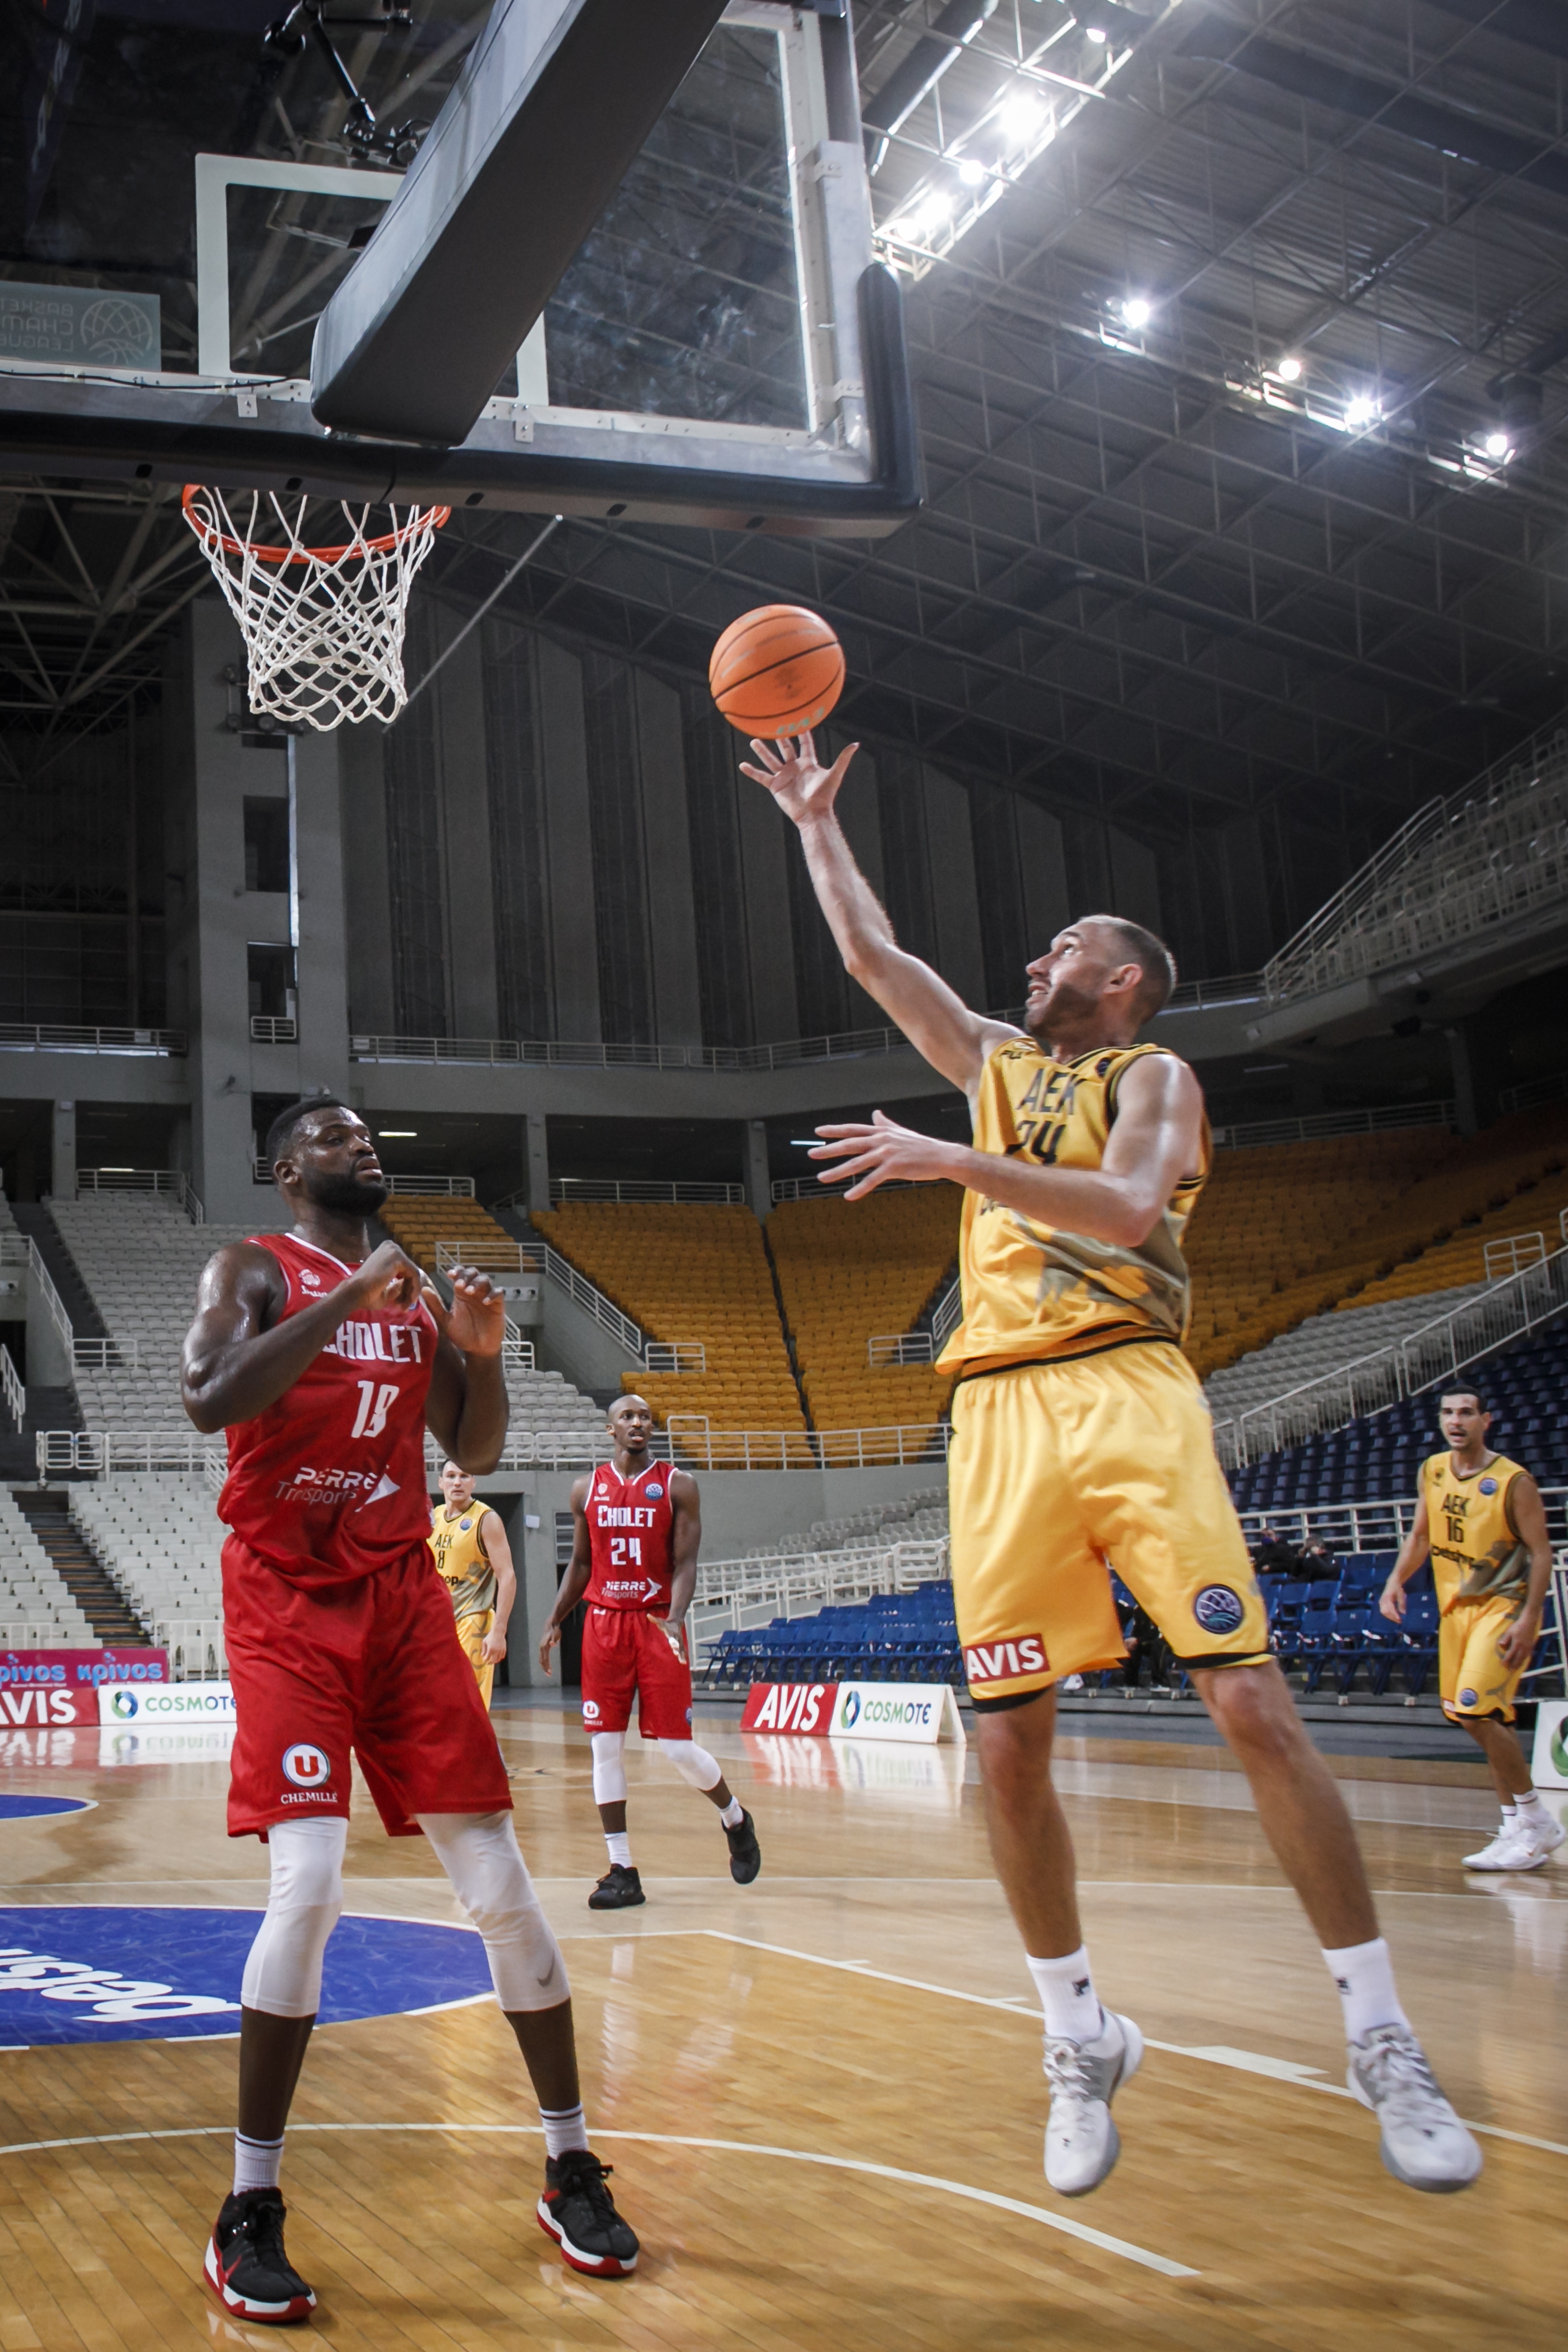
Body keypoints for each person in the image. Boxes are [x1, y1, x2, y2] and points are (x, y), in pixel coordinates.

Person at [742, 729, 1480, 2199]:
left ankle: (1382, 2032)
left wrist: (951, 1163)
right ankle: (1076, 2031)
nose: (1036, 960)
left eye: (1064, 944)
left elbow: (1132, 1209)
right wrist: (815, 822)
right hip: (999, 1418)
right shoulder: (999, 1066)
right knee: (1008, 1743)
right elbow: (877, 955)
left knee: (1253, 1701)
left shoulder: (1156, 1074)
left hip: (1130, 1393)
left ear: (1124, 978)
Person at [181, 1099, 638, 2323]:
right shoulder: (257, 1268)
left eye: (370, 1133)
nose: (364, 1144)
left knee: (496, 1879)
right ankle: (249, 2208)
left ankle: (569, 2164)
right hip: (287, 1597)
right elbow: (208, 1397)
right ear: (287, 1171)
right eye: (335, 1137)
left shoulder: (414, 1292)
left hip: (398, 1599)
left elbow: (470, 1447)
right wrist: (347, 1298)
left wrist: (478, 1355)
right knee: (312, 1882)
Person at [539, 1392, 761, 1908]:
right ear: (610, 1430)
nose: (637, 1422)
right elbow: (580, 1563)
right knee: (605, 1747)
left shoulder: (678, 1484)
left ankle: (735, 1817)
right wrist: (554, 1619)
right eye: (627, 1416)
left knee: (677, 1748)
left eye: (645, 1417)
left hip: (657, 1620)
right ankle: (622, 1868)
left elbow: (686, 1562)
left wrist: (677, 1618)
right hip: (603, 1624)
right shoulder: (586, 1488)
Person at [1381, 1387, 1563, 1873]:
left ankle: (1537, 1818)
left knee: (1476, 1708)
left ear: (1487, 1419)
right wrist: (1396, 1579)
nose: (1455, 1420)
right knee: (1480, 1718)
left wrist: (1530, 1616)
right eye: (1448, 1412)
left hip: (1502, 1607)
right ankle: (1514, 1827)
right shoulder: (1434, 1469)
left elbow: (1542, 1550)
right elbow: (1421, 1534)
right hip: (1455, 1612)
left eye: (1466, 1412)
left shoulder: (1513, 1481)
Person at [430, 1457, 517, 1708]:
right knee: (436, 1701)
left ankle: (479, 1748)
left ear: (474, 1482)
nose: (458, 1482)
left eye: (464, 1476)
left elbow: (507, 1576)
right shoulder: (434, 1518)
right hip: (438, 1624)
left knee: (468, 1705)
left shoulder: (486, 1519)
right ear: (441, 1482)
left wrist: (499, 1630)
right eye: (451, 1476)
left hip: (472, 1620)